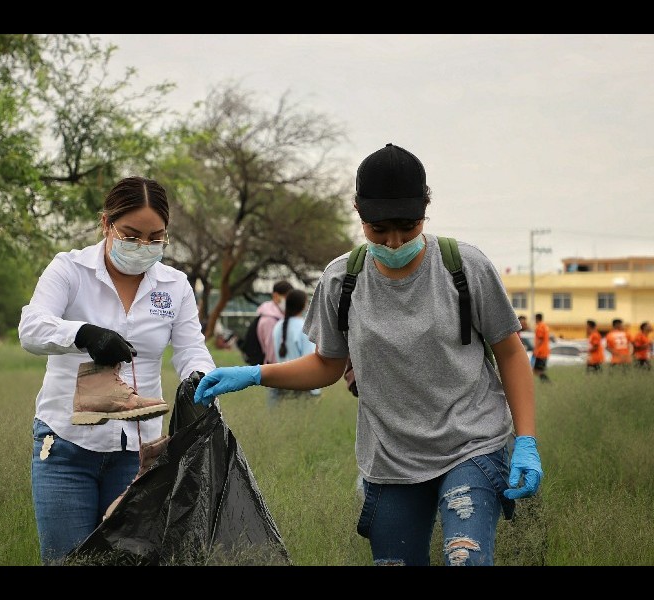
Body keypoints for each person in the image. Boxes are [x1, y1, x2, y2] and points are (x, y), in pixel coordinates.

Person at [192, 142, 542, 566]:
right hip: (391, 459)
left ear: (426, 210)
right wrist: (254, 374)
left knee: (465, 558)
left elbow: (510, 353)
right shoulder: (341, 280)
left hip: (472, 442)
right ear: (358, 212)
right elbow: (326, 365)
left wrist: (526, 440)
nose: (394, 242)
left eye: (408, 227)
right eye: (379, 230)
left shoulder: (465, 267)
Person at [18, 176, 216, 565]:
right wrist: (83, 334)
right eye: (131, 235)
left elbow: (191, 348)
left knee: (130, 560)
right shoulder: (70, 269)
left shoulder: (174, 285)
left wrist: (199, 375)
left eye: (156, 237)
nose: (143, 246)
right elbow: (31, 328)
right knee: (67, 560)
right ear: (106, 223)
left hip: (138, 455)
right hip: (66, 447)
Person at [270, 288, 320, 405]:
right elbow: (310, 360)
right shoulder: (305, 327)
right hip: (302, 387)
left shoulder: (278, 326)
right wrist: (315, 390)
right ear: (303, 305)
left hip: (282, 385)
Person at [256, 279, 293, 403]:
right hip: (275, 370)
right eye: (287, 297)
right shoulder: (269, 320)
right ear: (276, 296)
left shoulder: (281, 316)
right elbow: (271, 350)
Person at [532, 312, 551, 383]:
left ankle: (547, 382)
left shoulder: (540, 327)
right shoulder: (545, 326)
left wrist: (535, 350)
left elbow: (540, 339)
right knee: (537, 370)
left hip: (540, 352)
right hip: (544, 351)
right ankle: (544, 382)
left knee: (538, 370)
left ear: (537, 318)